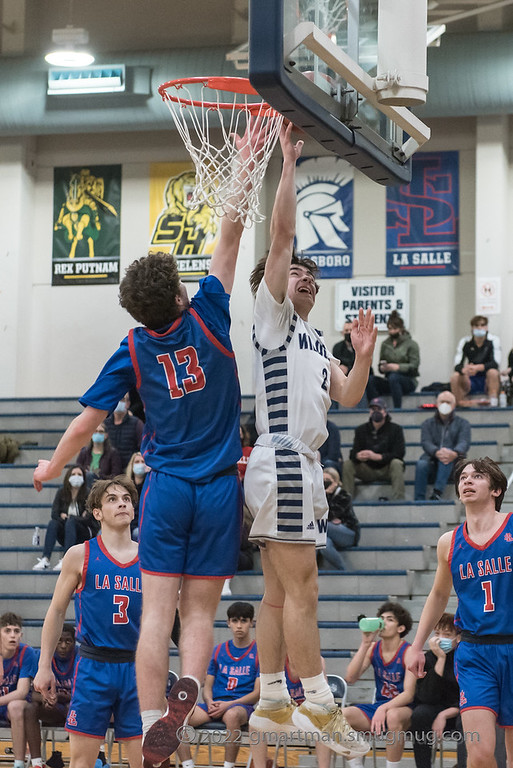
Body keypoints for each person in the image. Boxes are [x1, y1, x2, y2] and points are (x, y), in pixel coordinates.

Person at [33, 123, 264, 768]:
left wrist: (52, 466)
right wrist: (246, 156)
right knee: (199, 617)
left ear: (137, 312)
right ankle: (181, 718)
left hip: (163, 488)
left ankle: (155, 716)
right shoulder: (211, 313)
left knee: (155, 613)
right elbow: (231, 232)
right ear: (182, 291)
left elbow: (86, 424)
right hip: (220, 487)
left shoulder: (133, 349)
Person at [244, 123, 376, 759]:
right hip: (284, 460)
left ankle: (273, 695)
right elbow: (282, 236)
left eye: (312, 280)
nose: (305, 281)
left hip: (298, 465)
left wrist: (366, 354)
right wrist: (289, 163)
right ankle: (320, 703)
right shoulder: (270, 319)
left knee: (276, 592)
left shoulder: (320, 342)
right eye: (297, 275)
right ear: (274, 284)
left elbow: (348, 397)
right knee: (306, 591)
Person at [408, 457, 513, 768]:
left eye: (477, 476)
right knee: (479, 754)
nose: (467, 480)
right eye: (463, 477)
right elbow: (439, 594)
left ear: (495, 489)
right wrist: (416, 646)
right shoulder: (448, 542)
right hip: (475, 652)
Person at [33, 476, 142, 768]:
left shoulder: (151, 558)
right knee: (81, 762)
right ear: (97, 513)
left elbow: (171, 618)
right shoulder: (79, 554)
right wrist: (44, 665)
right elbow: (56, 612)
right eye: (112, 499)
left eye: (126, 499)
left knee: (145, 761)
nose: (122, 503)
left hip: (139, 668)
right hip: (95, 667)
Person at [178, 602, 259, 768]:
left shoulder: (259, 652)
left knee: (232, 716)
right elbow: (207, 687)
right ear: (228, 622)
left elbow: (257, 693)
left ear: (252, 623)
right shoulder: (218, 650)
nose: (239, 626)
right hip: (214, 705)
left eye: (244, 621)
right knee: (178, 716)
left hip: (241, 706)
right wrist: (209, 701)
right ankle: (187, 765)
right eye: (235, 621)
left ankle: (228, 766)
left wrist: (229, 705)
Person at [342, 602, 416, 768]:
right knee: (341, 716)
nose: (383, 622)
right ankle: (356, 764)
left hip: (405, 708)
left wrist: (384, 709)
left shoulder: (409, 651)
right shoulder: (373, 648)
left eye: (389, 619)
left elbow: (409, 694)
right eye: (381, 618)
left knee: (393, 716)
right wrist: (365, 644)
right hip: (380, 706)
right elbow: (350, 677)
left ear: (400, 628)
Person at [249, 655, 331, 768]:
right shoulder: (276, 662)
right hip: (285, 714)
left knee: (324, 722)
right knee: (256, 722)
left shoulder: (316, 661)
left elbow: (322, 700)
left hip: (309, 715)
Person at [410, 613, 465, 768]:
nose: (441, 639)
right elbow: (426, 697)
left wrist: (445, 714)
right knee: (420, 714)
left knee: (466, 719)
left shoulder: (464, 658)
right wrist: (440, 659)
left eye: (447, 635)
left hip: (459, 710)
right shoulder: (427, 658)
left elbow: (467, 695)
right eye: (437, 634)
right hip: (435, 707)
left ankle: (464, 765)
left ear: (458, 638)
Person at [24, 625, 78, 766]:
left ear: (74, 641)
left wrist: (58, 696)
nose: (63, 646)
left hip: (74, 710)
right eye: (59, 641)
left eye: (68, 641)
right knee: (30, 708)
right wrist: (44, 698)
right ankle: (36, 761)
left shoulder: (81, 657)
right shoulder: (42, 657)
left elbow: (87, 694)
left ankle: (78, 760)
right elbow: (33, 693)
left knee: (72, 707)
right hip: (52, 710)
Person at [33, 464, 96, 571]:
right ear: (68, 477)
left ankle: (66, 559)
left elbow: (89, 519)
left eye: (79, 474)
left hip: (84, 533)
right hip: (66, 533)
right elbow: (54, 514)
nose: (76, 476)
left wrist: (71, 518)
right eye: (74, 474)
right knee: (53, 523)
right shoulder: (62, 492)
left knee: (71, 521)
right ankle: (46, 559)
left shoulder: (88, 493)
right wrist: (71, 517)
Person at [342, 398, 405, 501]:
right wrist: (358, 456)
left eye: (378, 409)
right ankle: (346, 501)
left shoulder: (396, 429)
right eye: (372, 409)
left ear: (385, 412)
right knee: (348, 464)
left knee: (397, 463)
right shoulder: (361, 430)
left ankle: (399, 500)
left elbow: (399, 453)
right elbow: (353, 453)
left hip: (387, 469)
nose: (375, 412)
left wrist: (379, 457)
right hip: (367, 469)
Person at [414, 391, 471, 501]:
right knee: (421, 464)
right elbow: (426, 442)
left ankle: (437, 492)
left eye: (448, 402)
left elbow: (464, 442)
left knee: (446, 459)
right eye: (442, 401)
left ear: (454, 405)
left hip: (454, 462)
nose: (445, 404)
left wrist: (454, 453)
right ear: (437, 403)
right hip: (432, 460)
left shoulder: (463, 423)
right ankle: (419, 498)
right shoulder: (427, 423)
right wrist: (436, 452)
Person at [0, 612, 39, 768]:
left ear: (21, 635)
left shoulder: (26, 652)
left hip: (15, 703)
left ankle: (18, 763)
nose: (12, 635)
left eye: (16, 631)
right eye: (7, 631)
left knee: (15, 706)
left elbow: (22, 691)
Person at [366, 310, 420, 409]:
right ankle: (375, 408)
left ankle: (397, 409)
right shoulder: (385, 344)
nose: (392, 332)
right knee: (371, 380)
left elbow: (414, 366)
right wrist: (383, 368)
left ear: (401, 328)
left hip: (407, 380)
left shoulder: (411, 344)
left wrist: (397, 367)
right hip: (390, 379)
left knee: (394, 377)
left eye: (394, 329)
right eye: (390, 329)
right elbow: (381, 364)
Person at [451, 315, 501, 407]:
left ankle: (493, 402)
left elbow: (495, 363)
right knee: (455, 376)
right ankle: (460, 403)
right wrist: (465, 370)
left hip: (486, 377)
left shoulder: (493, 341)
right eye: (476, 326)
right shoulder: (465, 342)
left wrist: (478, 367)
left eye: (482, 325)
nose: (479, 328)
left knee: (493, 372)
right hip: (470, 378)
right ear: (472, 328)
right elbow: (457, 365)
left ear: (486, 327)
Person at [320, 466, 360, 571]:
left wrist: (327, 494)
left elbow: (329, 514)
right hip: (331, 531)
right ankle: (343, 570)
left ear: (336, 481)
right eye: (322, 481)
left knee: (321, 526)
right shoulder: (318, 496)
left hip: (348, 533)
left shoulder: (344, 495)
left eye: (328, 481)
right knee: (323, 544)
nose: (325, 484)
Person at [104, 392, 144, 470]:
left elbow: (142, 447)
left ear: (128, 404)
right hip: (109, 471)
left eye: (122, 400)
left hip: (129, 470)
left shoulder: (137, 424)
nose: (119, 403)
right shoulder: (105, 423)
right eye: (116, 400)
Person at [125, 451, 150, 540]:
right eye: (137, 462)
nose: (140, 464)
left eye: (142, 462)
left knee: (137, 533)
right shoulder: (125, 487)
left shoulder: (150, 485)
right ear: (132, 465)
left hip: (142, 524)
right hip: (126, 523)